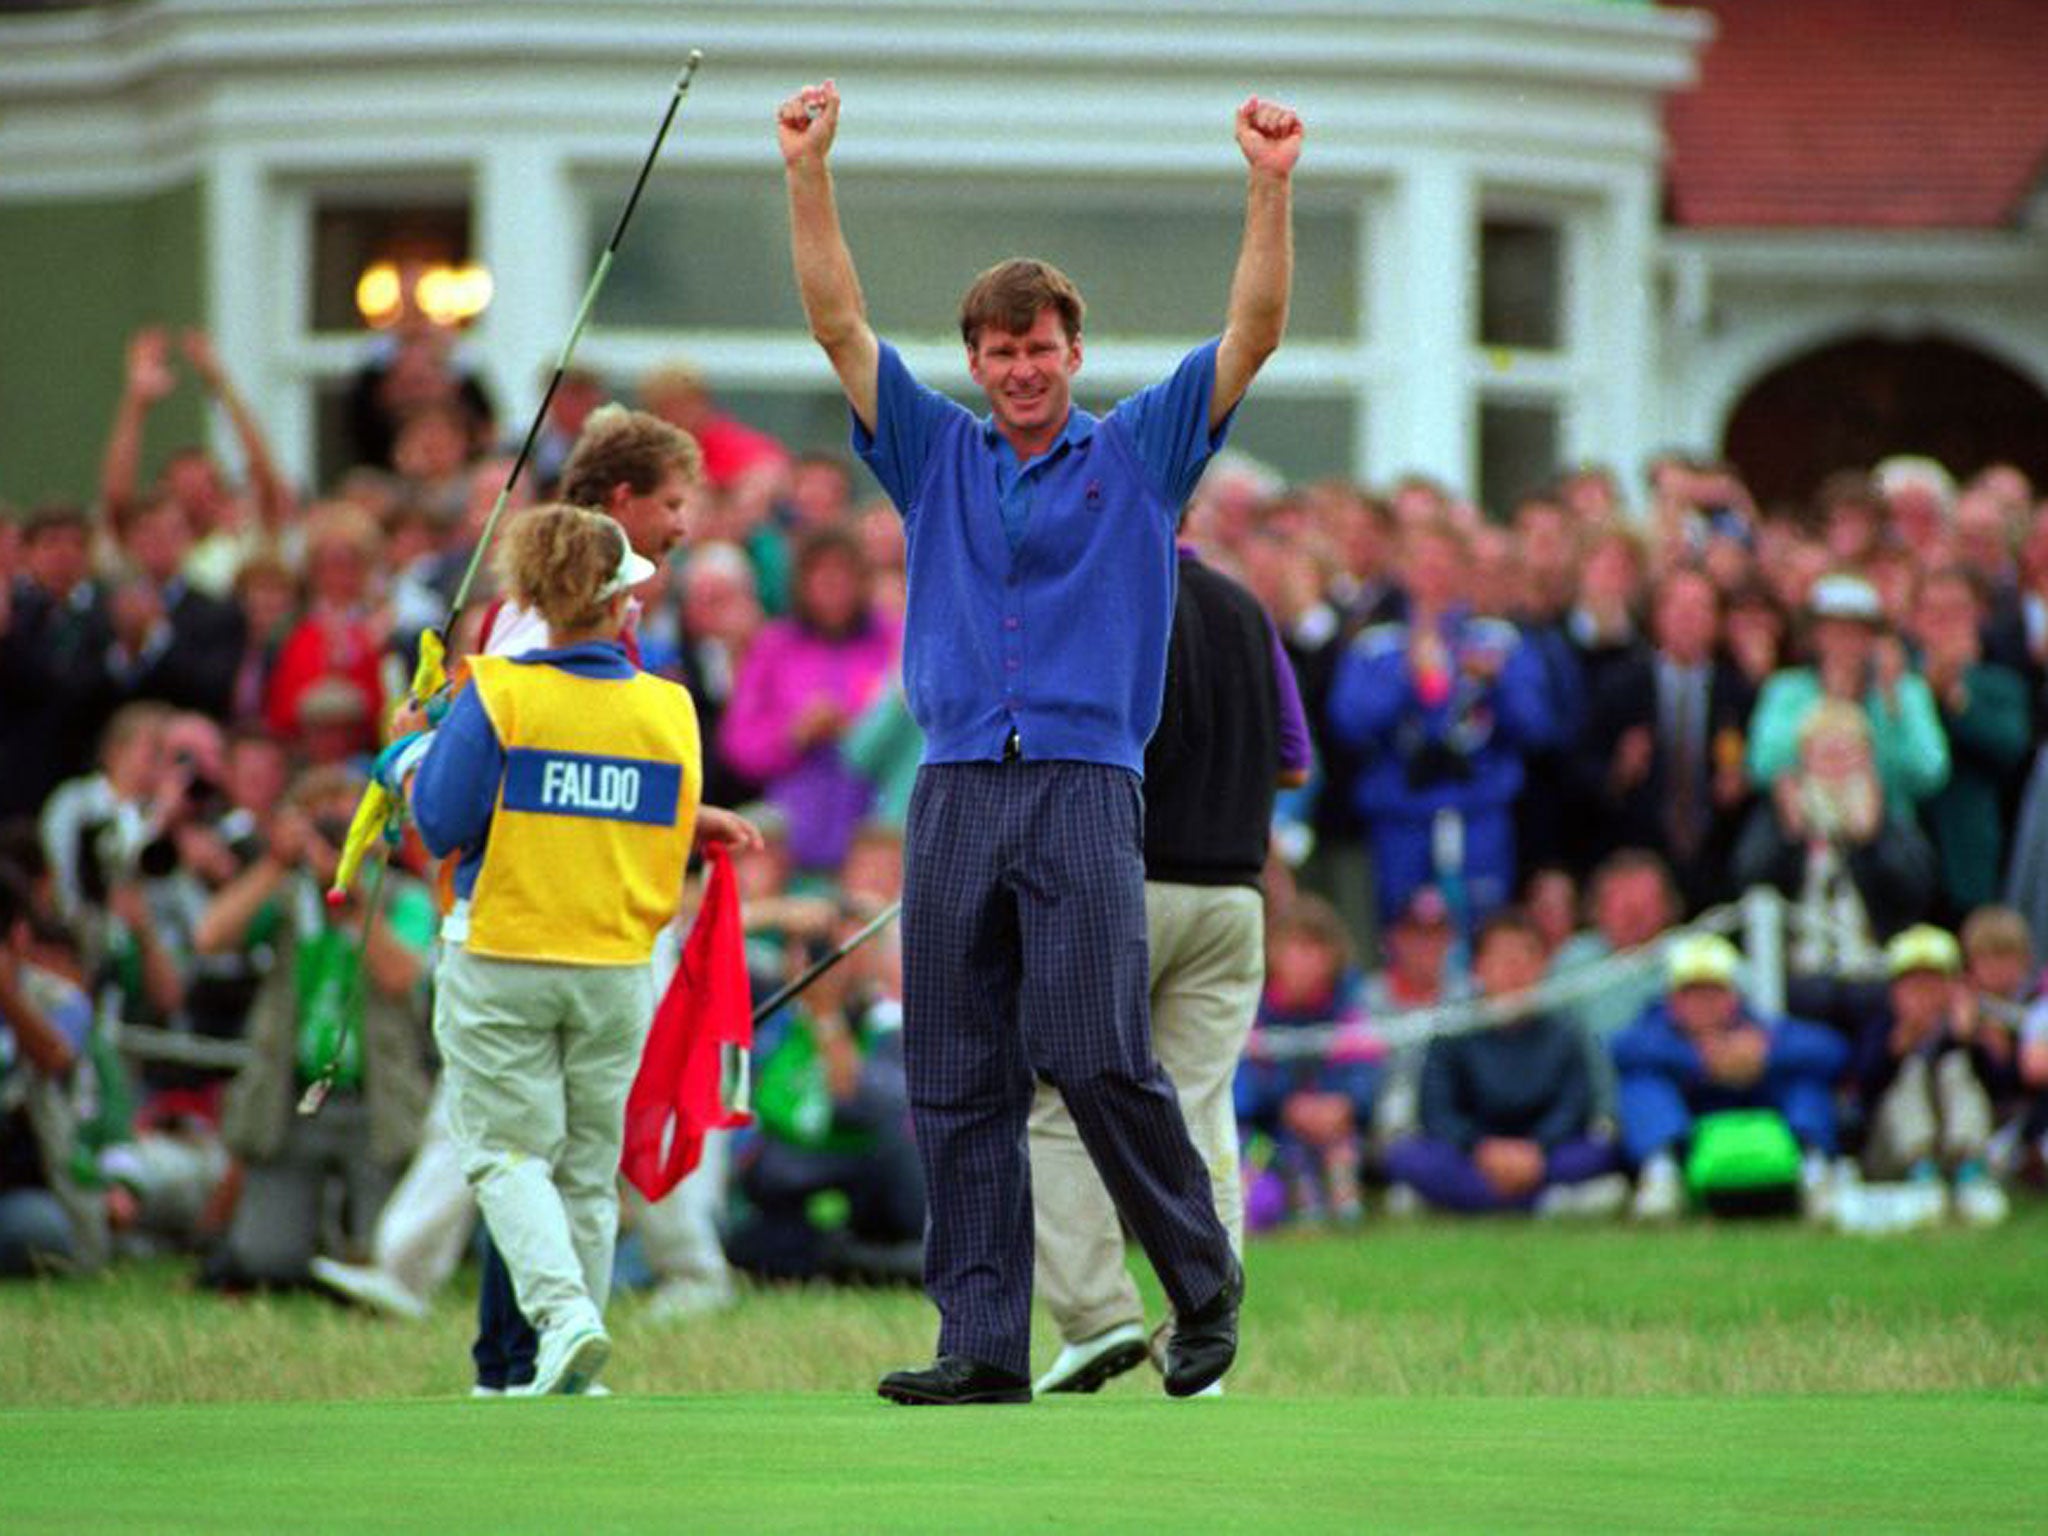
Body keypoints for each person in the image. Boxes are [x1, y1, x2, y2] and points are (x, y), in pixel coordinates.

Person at [779, 77, 1302, 1404]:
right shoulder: (935, 452)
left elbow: (1253, 327)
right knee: (951, 1066)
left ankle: (1200, 1284)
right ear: (976, 361)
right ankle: (981, 1345)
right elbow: (837, 319)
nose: (1022, 370)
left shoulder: (1138, 453)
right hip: (957, 783)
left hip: (1083, 787)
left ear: (1074, 352)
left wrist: (1269, 182)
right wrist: (808, 168)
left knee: (1092, 1049)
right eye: (1001, 352)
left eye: (1043, 349)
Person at [399, 504, 707, 1396]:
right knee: (584, 1167)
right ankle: (570, 1358)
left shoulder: (499, 691)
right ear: (620, 606)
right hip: (616, 964)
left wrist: (411, 757)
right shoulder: (671, 707)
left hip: (505, 951)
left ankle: (564, 1319)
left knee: (505, 1154)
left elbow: (443, 823)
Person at [1029, 540, 1311, 1394]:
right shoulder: (1244, 606)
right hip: (1233, 896)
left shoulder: (1096, 597)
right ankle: (1205, 1339)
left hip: (1123, 881)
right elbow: (1294, 761)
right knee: (1196, 1113)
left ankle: (1096, 1317)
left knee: (1058, 1099)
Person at [196, 765, 436, 1288]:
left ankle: (348, 1246)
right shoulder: (282, 896)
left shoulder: (403, 897)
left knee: (388, 1257)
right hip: (292, 1098)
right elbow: (210, 937)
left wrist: (349, 899)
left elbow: (400, 976)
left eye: (349, 813)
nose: (334, 829)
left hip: (375, 1100)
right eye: (318, 816)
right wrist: (276, 864)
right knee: (266, 1262)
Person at [1382, 909, 1622, 1217]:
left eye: (1525, 957)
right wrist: (1482, 1149)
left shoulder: (1565, 1030)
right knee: (1407, 1156)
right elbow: (1438, 1111)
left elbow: (1573, 1105)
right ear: (1478, 968)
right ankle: (1543, 1202)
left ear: (1542, 966)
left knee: (1596, 1151)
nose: (1514, 970)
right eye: (1502, 958)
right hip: (1473, 1152)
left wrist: (1536, 1149)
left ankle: (1460, 1199)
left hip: (1542, 1152)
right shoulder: (1454, 1027)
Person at [1611, 934, 1849, 1222]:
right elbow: (1621, 1049)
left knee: (1805, 1081)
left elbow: (1832, 1050)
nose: (1704, 1004)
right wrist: (1699, 1060)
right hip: (1689, 1137)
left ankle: (1814, 1173)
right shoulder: (1653, 1029)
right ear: (1673, 1001)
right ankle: (1661, 1175)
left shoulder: (1759, 1030)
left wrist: (1766, 1056)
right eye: (1693, 994)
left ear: (1732, 998)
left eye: (1713, 993)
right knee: (1643, 1084)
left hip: (1761, 1130)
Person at [1842, 925, 2010, 1226]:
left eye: (1934, 981)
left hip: (1962, 1146)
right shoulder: (1881, 1030)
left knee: (1954, 1068)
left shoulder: (1974, 1028)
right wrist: (1896, 1049)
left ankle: (1970, 1173)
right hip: (1894, 1155)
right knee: (1911, 1072)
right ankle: (1922, 1172)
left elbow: (2003, 1089)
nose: (1925, 994)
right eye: (1914, 983)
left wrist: (1970, 1043)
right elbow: (1860, 1095)